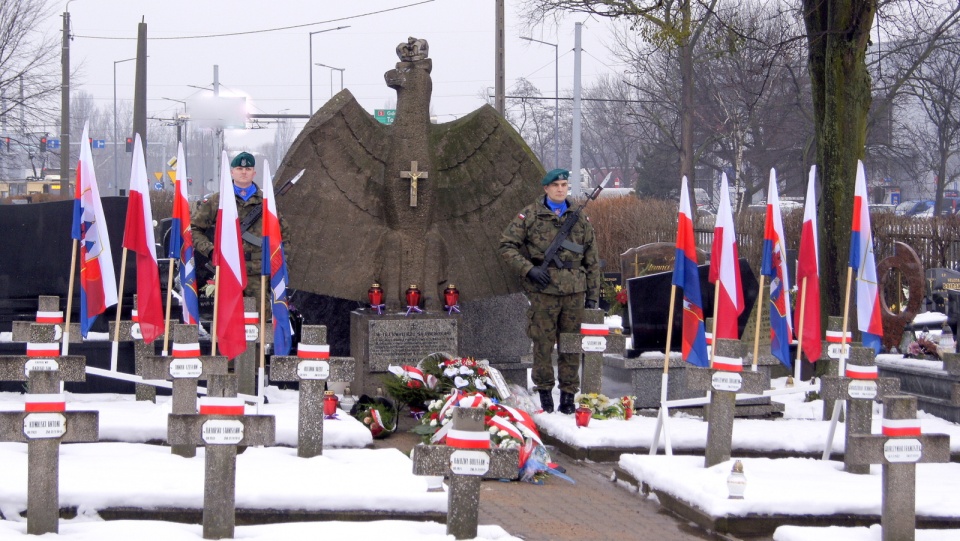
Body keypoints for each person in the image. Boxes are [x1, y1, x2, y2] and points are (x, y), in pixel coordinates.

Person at [499, 168, 601, 414]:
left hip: (574, 292)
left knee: (570, 344)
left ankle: (568, 394)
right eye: (555, 185)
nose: (560, 189)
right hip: (543, 291)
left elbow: (592, 259)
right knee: (543, 344)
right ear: (545, 188)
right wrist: (528, 269)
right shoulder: (531, 215)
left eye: (564, 184)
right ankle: (544, 392)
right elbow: (506, 245)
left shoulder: (579, 217)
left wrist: (593, 297)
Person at [191, 151, 287, 306]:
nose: (244, 172)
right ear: (232, 172)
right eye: (239, 169)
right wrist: (210, 250)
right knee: (227, 320)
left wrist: (279, 264)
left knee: (258, 323)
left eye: (248, 169)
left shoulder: (266, 201)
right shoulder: (219, 201)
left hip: (258, 273)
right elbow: (194, 228)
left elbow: (284, 235)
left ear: (254, 173)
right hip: (228, 269)